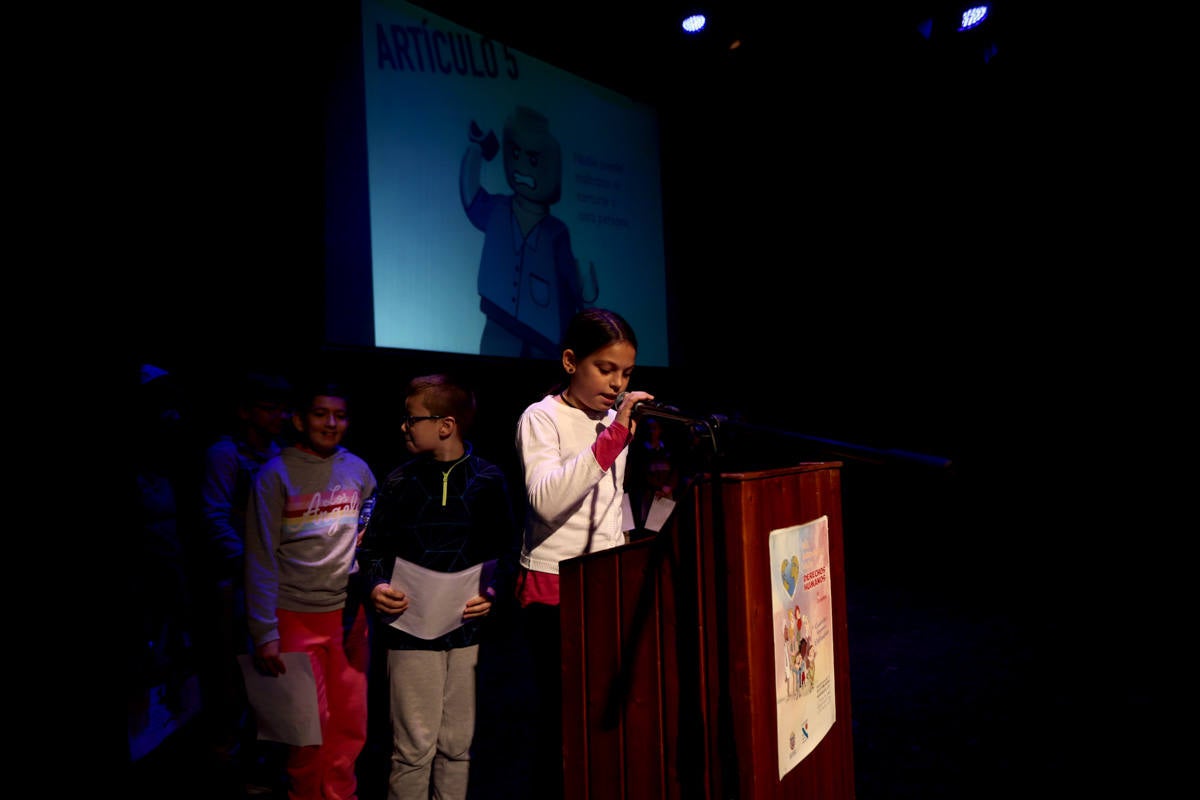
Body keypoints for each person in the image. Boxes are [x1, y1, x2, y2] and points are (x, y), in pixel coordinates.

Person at [513, 307, 654, 799]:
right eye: (606, 369)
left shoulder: (615, 423)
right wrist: (613, 439)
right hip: (555, 586)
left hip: (605, 581)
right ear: (571, 361)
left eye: (627, 374)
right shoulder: (542, 417)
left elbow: (611, 503)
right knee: (563, 717)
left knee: (605, 713)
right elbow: (547, 501)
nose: (618, 384)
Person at [358, 373, 518, 800]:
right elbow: (371, 550)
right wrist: (376, 586)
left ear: (446, 425)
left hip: (467, 629)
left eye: (412, 419)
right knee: (413, 751)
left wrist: (494, 591)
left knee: (457, 748)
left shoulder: (488, 479)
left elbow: (509, 550)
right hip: (409, 628)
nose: (404, 426)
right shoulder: (399, 481)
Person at [244, 380, 377, 800]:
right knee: (304, 728)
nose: (331, 423)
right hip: (293, 616)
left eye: (340, 415)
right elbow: (260, 556)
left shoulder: (357, 469)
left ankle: (342, 795)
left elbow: (373, 514)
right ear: (299, 420)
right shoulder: (274, 475)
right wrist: (264, 632)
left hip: (347, 617)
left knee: (349, 722)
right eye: (320, 414)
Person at [195, 371, 292, 789]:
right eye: (269, 409)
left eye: (282, 409)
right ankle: (229, 758)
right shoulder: (226, 454)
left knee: (271, 667)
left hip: (274, 581)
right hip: (235, 582)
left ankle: (265, 757)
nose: (279, 417)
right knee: (233, 669)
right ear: (245, 411)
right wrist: (252, 566)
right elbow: (214, 518)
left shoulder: (281, 454)